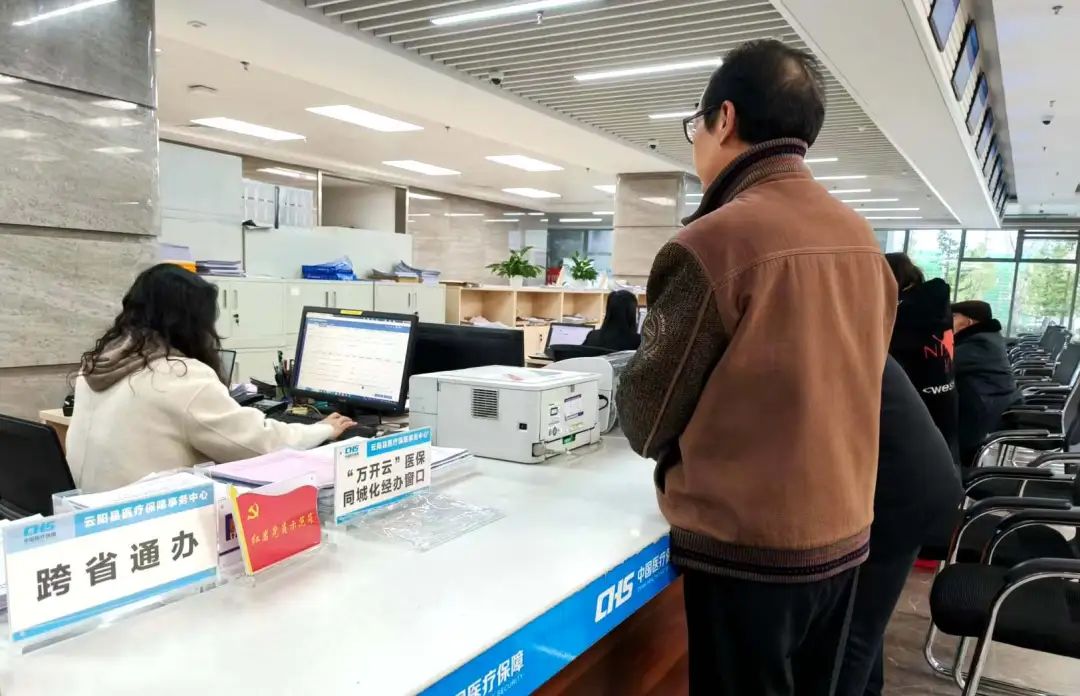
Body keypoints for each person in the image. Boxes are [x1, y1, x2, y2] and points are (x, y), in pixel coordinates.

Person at [617, 39, 896, 695]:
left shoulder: (713, 241)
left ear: (724, 119)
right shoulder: (861, 238)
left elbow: (646, 418)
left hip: (750, 552)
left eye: (696, 123)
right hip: (845, 533)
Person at [67, 264, 355, 492]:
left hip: (96, 513)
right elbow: (260, 444)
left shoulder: (99, 365)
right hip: (155, 522)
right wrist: (322, 429)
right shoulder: (177, 376)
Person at [836, 357, 962, 695]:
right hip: (912, 479)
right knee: (862, 624)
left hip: (898, 490)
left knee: (850, 633)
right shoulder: (853, 336)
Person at [884, 252, 959, 464]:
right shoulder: (935, 305)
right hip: (944, 394)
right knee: (940, 458)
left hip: (913, 400)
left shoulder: (903, 312)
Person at [952, 300, 1022, 466]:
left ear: (968, 322)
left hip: (987, 411)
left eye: (954, 317)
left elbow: (945, 365)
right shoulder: (985, 337)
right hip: (993, 403)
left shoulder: (979, 343)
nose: (949, 321)